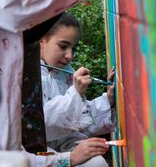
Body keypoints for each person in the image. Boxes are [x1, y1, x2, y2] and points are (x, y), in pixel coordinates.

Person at [0, 0, 104, 167]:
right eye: (62, 46)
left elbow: (10, 158)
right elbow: (22, 5)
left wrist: (67, 160)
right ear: (43, 41)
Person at [40, 12, 116, 149]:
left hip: (63, 143)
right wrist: (75, 93)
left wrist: (108, 100)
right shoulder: (26, 74)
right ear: (42, 40)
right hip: (34, 150)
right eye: (63, 46)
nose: (69, 56)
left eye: (73, 48)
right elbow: (43, 124)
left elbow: (81, 120)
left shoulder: (66, 71)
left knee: (96, 165)